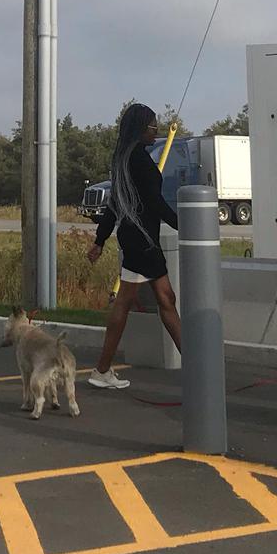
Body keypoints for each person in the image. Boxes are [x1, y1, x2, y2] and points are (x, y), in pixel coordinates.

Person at [84, 101, 182, 389]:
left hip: (135, 238)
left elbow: (114, 205)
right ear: (141, 129)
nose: (157, 131)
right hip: (143, 240)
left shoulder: (124, 158)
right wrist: (184, 224)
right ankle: (198, 367)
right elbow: (155, 202)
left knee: (157, 300)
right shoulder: (139, 160)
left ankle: (102, 370)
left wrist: (100, 240)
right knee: (158, 300)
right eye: (153, 126)